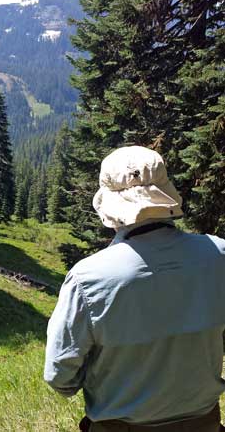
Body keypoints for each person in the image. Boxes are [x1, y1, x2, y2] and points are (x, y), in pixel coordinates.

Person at [44, 146, 225, 432]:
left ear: (110, 208)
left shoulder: (88, 277)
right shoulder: (219, 254)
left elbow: (60, 377)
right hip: (204, 424)